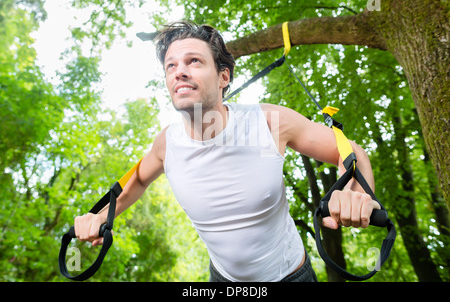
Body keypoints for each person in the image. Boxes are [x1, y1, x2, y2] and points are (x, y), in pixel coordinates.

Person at [74, 21, 380, 282]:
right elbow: (138, 180)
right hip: (221, 279)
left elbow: (350, 151)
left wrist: (354, 192)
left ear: (224, 77)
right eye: (171, 65)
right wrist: (100, 216)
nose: (179, 71)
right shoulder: (167, 143)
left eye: (194, 61)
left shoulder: (270, 122)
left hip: (290, 275)